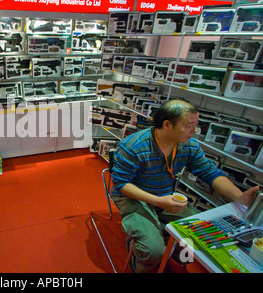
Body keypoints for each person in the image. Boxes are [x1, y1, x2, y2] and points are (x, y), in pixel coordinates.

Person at [111, 99, 260, 273]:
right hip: (133, 198)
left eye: (196, 125)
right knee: (153, 251)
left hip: (165, 197)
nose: (195, 131)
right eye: (190, 125)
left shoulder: (188, 146)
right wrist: (158, 201)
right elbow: (121, 184)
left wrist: (239, 197)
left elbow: (210, 173)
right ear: (167, 125)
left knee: (200, 235)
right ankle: (139, 255)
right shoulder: (134, 146)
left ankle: (163, 239)